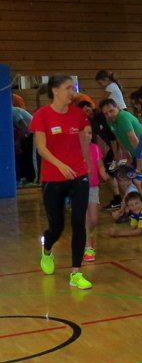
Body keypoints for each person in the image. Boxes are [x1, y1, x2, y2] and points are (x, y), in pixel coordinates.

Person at [30, 74, 93, 289]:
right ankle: (47, 248)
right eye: (68, 88)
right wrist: (60, 165)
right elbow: (41, 148)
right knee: (57, 227)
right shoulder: (42, 115)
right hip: (53, 177)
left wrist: (88, 164)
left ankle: (76, 273)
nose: (72, 92)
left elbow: (83, 141)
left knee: (78, 221)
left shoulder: (78, 114)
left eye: (73, 88)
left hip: (78, 176)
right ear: (55, 90)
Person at [84, 128, 109, 263]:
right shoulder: (74, 149)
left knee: (93, 219)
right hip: (79, 188)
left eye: (89, 133)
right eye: (84, 133)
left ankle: (87, 235)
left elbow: (100, 165)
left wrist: (103, 173)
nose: (87, 136)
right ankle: (88, 247)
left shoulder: (95, 148)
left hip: (93, 187)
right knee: (85, 218)